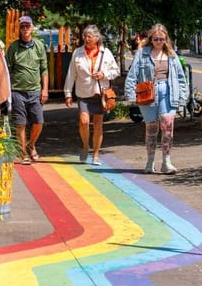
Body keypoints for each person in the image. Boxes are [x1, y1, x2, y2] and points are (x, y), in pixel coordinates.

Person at [124, 23, 188, 174]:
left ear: (166, 39)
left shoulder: (171, 55)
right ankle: (150, 161)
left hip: (168, 92)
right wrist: (131, 95)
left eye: (162, 39)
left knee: (168, 126)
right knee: (151, 128)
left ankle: (166, 162)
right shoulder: (142, 53)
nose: (159, 41)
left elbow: (180, 77)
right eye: (156, 39)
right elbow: (132, 75)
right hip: (148, 94)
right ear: (151, 39)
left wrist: (182, 97)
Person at [64, 24, 120, 165]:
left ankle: (95, 155)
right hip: (83, 93)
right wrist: (68, 93)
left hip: (99, 94)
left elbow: (116, 71)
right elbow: (71, 74)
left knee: (98, 125)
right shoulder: (77, 53)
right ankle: (85, 145)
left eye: (89, 36)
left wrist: (103, 74)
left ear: (97, 38)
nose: (86, 39)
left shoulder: (105, 53)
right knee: (84, 122)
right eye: (85, 36)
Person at [5, 16, 49, 164]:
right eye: (22, 26)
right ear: (19, 29)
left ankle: (31, 144)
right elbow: (8, 69)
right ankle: (23, 153)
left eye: (27, 26)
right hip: (17, 91)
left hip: (35, 91)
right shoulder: (13, 47)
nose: (25, 29)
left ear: (32, 28)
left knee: (39, 122)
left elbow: (44, 69)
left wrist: (45, 90)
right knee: (20, 124)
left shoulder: (39, 46)